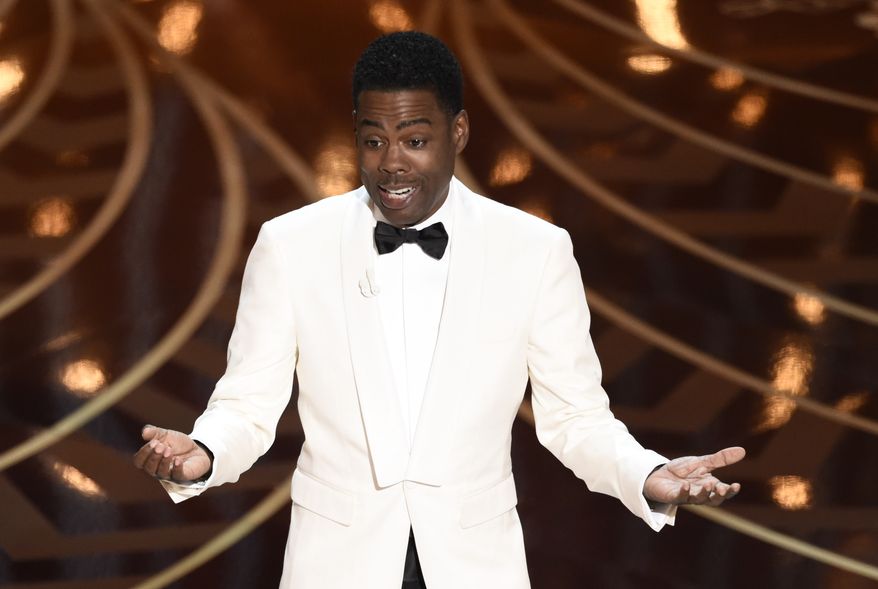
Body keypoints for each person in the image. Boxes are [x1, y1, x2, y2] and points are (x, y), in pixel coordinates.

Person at [133, 31, 744, 589]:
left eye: (416, 140)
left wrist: (647, 474)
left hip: (475, 566)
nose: (392, 163)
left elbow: (575, 418)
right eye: (374, 141)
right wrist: (203, 454)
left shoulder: (535, 251)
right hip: (335, 566)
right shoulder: (291, 245)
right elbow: (248, 404)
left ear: (458, 133)